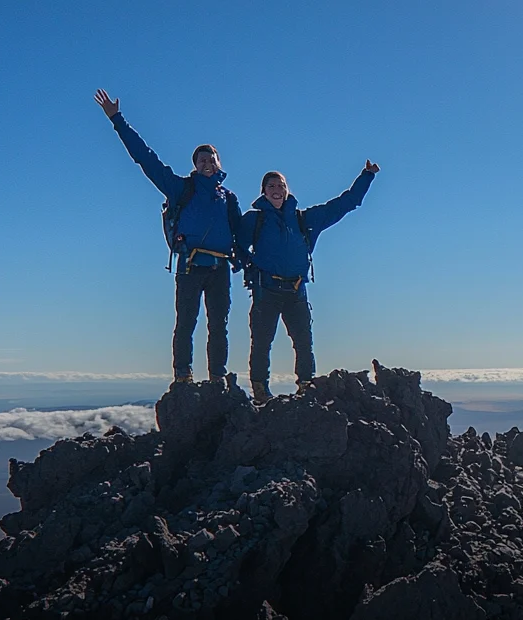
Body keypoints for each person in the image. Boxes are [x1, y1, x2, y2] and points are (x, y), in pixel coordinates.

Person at [94, 89, 242, 384]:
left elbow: (241, 234)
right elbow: (145, 158)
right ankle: (183, 374)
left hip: (220, 268)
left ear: (219, 163)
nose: (206, 162)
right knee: (186, 322)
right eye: (201, 159)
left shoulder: (228, 198)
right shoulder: (180, 189)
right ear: (194, 165)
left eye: (210, 158)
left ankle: (217, 377)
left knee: (219, 326)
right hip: (189, 264)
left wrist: (249, 262)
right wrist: (117, 119)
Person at [239, 161, 380, 403]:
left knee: (303, 341)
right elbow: (237, 244)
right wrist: (251, 266)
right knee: (261, 342)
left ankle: (306, 385)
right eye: (271, 185)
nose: (276, 189)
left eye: (281, 185)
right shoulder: (254, 220)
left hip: (296, 290)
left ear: (287, 190)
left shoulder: (304, 220)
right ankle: (260, 389)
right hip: (266, 290)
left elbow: (344, 204)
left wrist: (366, 176)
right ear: (263, 191)